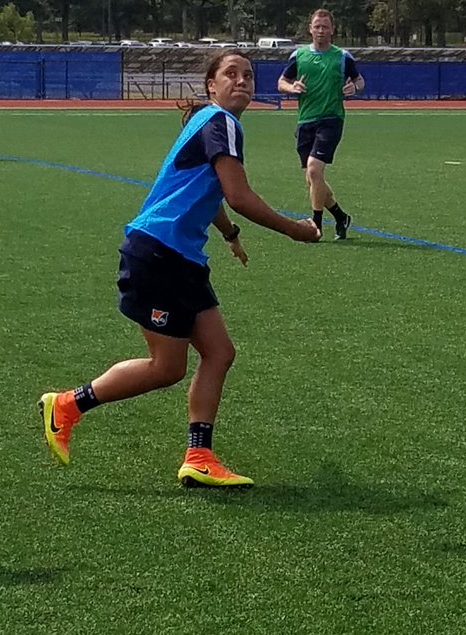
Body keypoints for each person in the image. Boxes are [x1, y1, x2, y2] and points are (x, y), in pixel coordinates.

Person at [38, 51, 320, 488]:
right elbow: (238, 194)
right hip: (159, 255)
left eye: (248, 75)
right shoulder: (221, 122)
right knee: (166, 367)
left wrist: (229, 235)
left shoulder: (212, 122)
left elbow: (205, 192)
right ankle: (67, 405)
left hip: (181, 258)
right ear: (211, 85)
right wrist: (294, 230)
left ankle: (199, 456)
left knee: (220, 353)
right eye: (231, 74)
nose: (242, 81)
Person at [276, 8, 364, 240]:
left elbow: (359, 80)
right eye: (317, 26)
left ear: (332, 30)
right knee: (313, 178)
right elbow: (282, 82)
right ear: (310, 29)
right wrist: (292, 87)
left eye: (325, 27)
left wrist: (354, 88)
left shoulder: (342, 56)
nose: (321, 31)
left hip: (331, 119)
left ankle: (315, 225)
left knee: (315, 169)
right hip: (306, 121)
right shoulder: (299, 56)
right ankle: (340, 216)